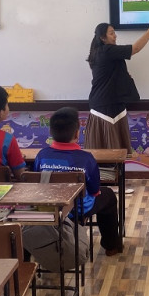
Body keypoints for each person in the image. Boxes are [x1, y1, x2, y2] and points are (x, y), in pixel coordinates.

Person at [33, 107, 122, 256]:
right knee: (109, 196)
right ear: (77, 133)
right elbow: (95, 190)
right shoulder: (86, 158)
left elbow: (37, 183)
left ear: (51, 132)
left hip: (50, 207)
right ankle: (111, 246)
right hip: (77, 209)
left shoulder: (42, 155)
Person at [84, 18, 149, 154]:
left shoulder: (100, 52)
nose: (115, 36)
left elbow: (109, 75)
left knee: (115, 152)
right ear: (102, 38)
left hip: (112, 104)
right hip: (105, 108)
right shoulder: (107, 50)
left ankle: (115, 169)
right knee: (107, 152)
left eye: (114, 32)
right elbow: (135, 48)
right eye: (111, 33)